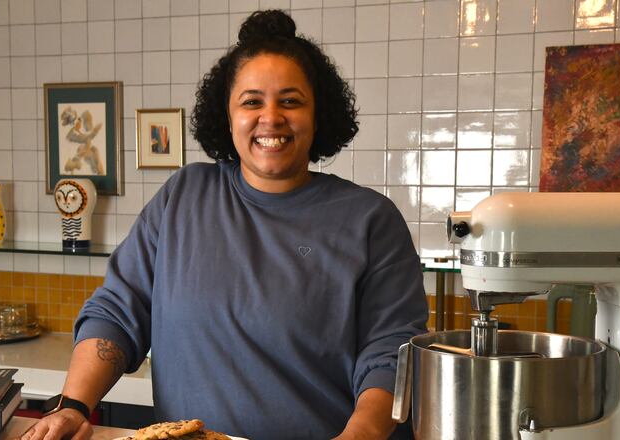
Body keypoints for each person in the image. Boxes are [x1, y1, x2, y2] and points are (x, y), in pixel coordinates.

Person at [25, 10, 427, 440]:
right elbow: (119, 312)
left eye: (290, 101)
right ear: (228, 115)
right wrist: (73, 407)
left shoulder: (369, 219)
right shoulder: (184, 196)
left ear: (318, 113)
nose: (270, 117)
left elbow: (392, 355)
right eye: (252, 101)